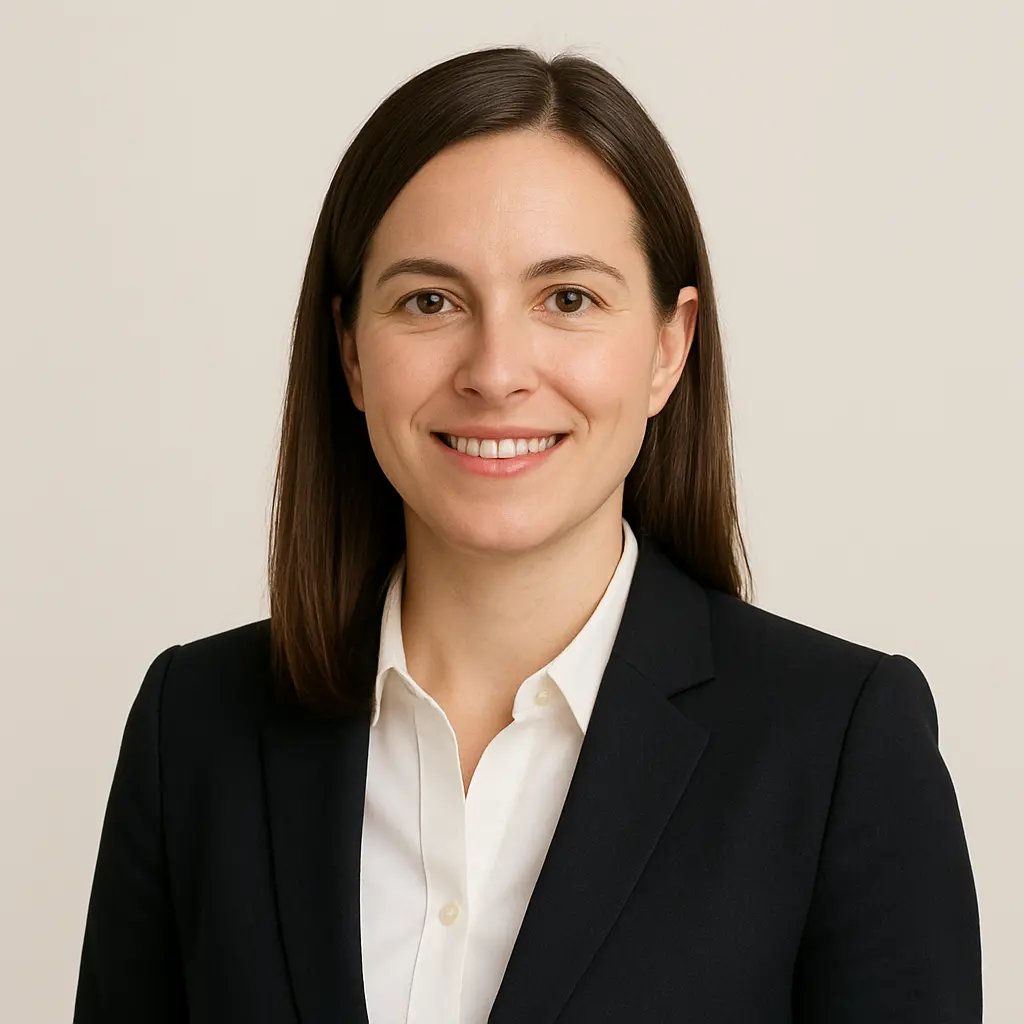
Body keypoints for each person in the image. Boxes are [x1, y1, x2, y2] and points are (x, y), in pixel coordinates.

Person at [73, 45, 982, 1024]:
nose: (496, 369)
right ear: (349, 351)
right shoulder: (194, 729)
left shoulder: (838, 746)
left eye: (567, 299)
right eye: (429, 300)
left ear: (668, 349)